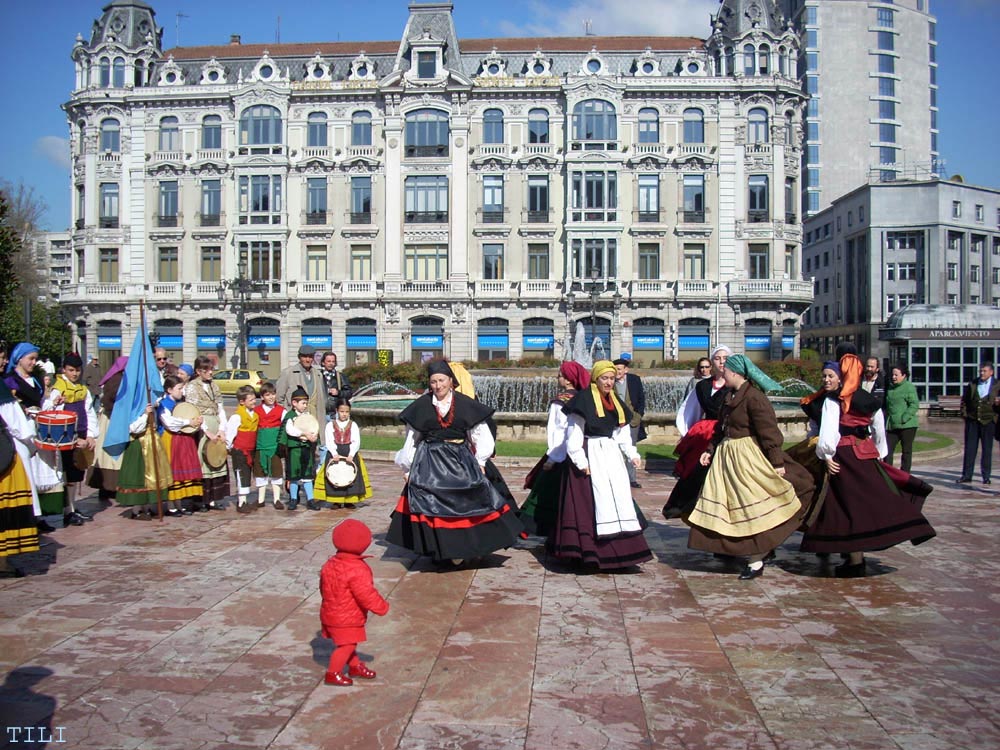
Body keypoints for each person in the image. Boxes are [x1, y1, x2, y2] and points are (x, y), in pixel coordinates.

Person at [800, 357, 935, 577]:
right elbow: (879, 429)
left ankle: (854, 559)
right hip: (864, 454)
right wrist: (878, 454)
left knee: (846, 507)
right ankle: (852, 554)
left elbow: (829, 432)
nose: (827, 380)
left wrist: (826, 456)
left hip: (842, 457)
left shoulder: (834, 400)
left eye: (833, 375)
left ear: (843, 376)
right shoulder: (867, 399)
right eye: (825, 376)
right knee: (866, 503)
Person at [687, 354, 816, 580]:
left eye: (726, 370)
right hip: (727, 460)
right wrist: (710, 449)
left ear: (736, 373)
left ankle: (756, 559)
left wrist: (777, 462)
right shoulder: (729, 395)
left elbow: (769, 432)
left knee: (755, 508)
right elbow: (720, 429)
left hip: (748, 459)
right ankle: (742, 551)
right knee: (731, 509)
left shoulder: (754, 398)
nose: (722, 373)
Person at [388, 359, 523, 565]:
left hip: (460, 460)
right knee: (431, 502)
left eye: (442, 380)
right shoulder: (422, 406)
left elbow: (480, 434)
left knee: (470, 499)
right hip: (430, 462)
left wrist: (480, 461)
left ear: (451, 381)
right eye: (433, 382)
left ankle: (468, 547)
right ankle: (440, 549)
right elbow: (412, 440)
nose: (438, 386)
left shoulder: (465, 404)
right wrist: (407, 468)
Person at [548, 360, 653, 571]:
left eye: (612, 378)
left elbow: (621, 432)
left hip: (611, 455)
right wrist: (580, 461)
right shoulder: (583, 400)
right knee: (592, 502)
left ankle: (621, 551)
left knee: (619, 497)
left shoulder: (615, 401)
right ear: (596, 378)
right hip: (590, 453)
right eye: (605, 378)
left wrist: (631, 454)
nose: (609, 382)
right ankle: (590, 552)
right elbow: (574, 433)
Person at [519, 361, 590, 537]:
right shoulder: (587, 398)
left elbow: (558, 430)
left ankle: (546, 527)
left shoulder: (561, 401)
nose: (558, 378)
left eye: (560, 376)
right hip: (585, 451)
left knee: (550, 493)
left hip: (563, 453)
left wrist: (552, 459)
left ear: (568, 380)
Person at [664, 345, 733, 519]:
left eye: (725, 358)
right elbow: (690, 410)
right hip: (705, 433)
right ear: (712, 362)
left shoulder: (735, 385)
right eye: (717, 358)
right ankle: (688, 506)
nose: (721, 362)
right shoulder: (703, 386)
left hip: (727, 431)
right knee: (696, 469)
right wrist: (687, 433)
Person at [320, 519, 390, 686]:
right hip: (347, 616)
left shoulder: (330, 563)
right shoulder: (357, 568)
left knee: (348, 642)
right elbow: (365, 593)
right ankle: (333, 673)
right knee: (347, 645)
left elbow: (323, 587)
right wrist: (381, 607)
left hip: (331, 612)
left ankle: (354, 666)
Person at [5, 343, 61, 530]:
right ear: (19, 358)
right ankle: (30, 516)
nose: (33, 362)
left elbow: (41, 403)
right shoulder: (10, 381)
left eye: (35, 359)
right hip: (20, 431)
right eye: (30, 358)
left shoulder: (36, 380)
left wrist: (52, 403)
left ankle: (38, 515)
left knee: (38, 471)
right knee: (27, 472)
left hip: (36, 428)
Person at [43, 353, 98, 527]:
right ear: (64, 370)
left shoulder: (83, 390)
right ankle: (68, 510)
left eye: (77, 370)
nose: (75, 374)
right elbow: (47, 409)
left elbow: (89, 412)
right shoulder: (58, 388)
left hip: (80, 435)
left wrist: (91, 434)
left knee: (76, 473)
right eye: (71, 370)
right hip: (64, 438)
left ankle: (72, 508)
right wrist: (56, 403)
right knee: (66, 473)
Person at [0, 356, 40, 576]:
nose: (4, 362)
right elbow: (18, 426)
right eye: (0, 358)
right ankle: (2, 563)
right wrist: (31, 443)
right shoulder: (2, 391)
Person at [184, 356, 230, 508]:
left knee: (216, 460)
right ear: (198, 371)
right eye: (207, 370)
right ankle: (201, 500)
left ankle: (213, 499)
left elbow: (220, 408)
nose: (211, 372)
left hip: (215, 424)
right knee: (203, 461)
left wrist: (222, 428)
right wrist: (206, 431)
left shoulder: (214, 386)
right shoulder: (192, 387)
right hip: (202, 427)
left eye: (211, 369)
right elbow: (193, 411)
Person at [116, 402, 172, 520]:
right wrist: (145, 415)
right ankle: (137, 509)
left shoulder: (154, 405)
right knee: (139, 476)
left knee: (153, 476)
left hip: (153, 443)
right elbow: (133, 428)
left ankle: (148, 507)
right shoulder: (134, 407)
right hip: (140, 444)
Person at [157, 374, 203, 515]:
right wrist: (188, 422)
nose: (182, 391)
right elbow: (169, 423)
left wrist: (197, 421)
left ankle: (179, 503)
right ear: (169, 390)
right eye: (179, 388)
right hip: (170, 439)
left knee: (183, 470)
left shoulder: (181, 403)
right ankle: (171, 505)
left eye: (182, 388)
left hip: (183, 439)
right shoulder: (164, 405)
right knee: (173, 470)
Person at [316, 397, 372, 508]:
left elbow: (356, 441)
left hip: (349, 452)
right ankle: (336, 501)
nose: (344, 414)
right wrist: (334, 453)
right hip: (335, 453)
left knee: (349, 475)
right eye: (342, 411)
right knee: (335, 475)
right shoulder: (330, 425)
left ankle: (349, 500)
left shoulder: (353, 425)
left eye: (347, 412)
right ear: (337, 410)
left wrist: (351, 454)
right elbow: (329, 440)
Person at [88, 355, 128, 504]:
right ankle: (109, 486)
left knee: (109, 454)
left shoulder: (118, 378)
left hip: (113, 419)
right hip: (112, 420)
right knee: (111, 454)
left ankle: (107, 487)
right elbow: (111, 399)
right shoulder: (117, 380)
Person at [957, 361, 1000, 484]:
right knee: (970, 449)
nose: (981, 373)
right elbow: (964, 401)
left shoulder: (997, 385)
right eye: (980, 371)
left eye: (984, 371)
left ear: (991, 372)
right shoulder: (973, 383)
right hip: (973, 421)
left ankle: (986, 477)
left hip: (989, 421)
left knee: (987, 450)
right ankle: (967, 475)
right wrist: (965, 415)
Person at [279, 386, 319, 510]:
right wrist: (303, 433)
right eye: (303, 403)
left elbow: (313, 428)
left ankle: (310, 499)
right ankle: (293, 499)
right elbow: (290, 430)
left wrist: (314, 436)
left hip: (306, 449)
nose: (305, 406)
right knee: (294, 475)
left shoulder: (308, 416)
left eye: (306, 403)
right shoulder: (289, 416)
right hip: (294, 450)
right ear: (294, 403)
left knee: (307, 475)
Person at [613, 353, 646, 488]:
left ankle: (631, 479)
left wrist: (638, 415)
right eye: (615, 369)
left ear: (626, 370)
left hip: (633, 420)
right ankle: (617, 477)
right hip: (615, 421)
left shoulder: (634, 380)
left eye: (620, 369)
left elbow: (641, 398)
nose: (617, 372)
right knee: (616, 449)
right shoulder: (610, 381)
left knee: (631, 448)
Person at [225, 385, 260, 514]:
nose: (254, 402)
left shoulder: (254, 415)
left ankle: (245, 500)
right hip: (240, 451)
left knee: (247, 475)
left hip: (251, 450)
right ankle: (241, 502)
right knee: (241, 474)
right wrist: (229, 447)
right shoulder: (237, 417)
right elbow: (230, 434)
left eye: (254, 399)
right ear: (242, 401)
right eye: (251, 400)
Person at [253, 381, 286, 509]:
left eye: (273, 394)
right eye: (267, 395)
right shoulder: (256, 411)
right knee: (260, 472)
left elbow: (285, 428)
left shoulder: (281, 411)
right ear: (262, 397)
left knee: (276, 472)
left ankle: (276, 499)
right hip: (260, 446)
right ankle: (260, 500)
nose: (271, 397)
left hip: (274, 447)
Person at [884, 364, 920, 473]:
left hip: (907, 425)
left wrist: (904, 418)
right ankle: (888, 473)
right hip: (892, 425)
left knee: (906, 451)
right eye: (892, 375)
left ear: (904, 375)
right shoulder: (890, 387)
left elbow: (914, 404)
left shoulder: (909, 387)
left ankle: (905, 474)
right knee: (887, 450)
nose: (893, 377)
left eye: (896, 375)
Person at [276, 345, 324, 421]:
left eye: (310, 357)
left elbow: (320, 401)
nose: (308, 360)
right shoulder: (288, 373)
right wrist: (287, 415)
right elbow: (279, 399)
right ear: (299, 357)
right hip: (295, 418)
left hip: (314, 419)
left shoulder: (318, 374)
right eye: (304, 357)